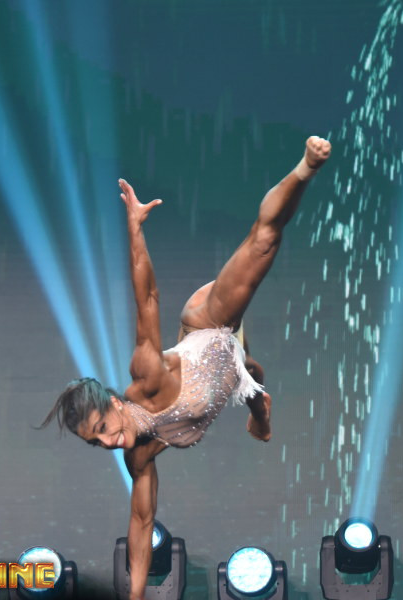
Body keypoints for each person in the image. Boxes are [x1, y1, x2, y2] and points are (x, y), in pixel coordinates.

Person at [41, 136, 331, 599]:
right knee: (250, 376)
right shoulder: (138, 455)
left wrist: (135, 229)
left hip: (211, 327)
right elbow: (141, 523)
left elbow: (147, 297)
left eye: (103, 428)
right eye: (96, 442)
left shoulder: (147, 377)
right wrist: (136, 595)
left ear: (115, 403)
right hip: (224, 377)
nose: (107, 442)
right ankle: (256, 398)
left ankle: (306, 167)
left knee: (263, 241)